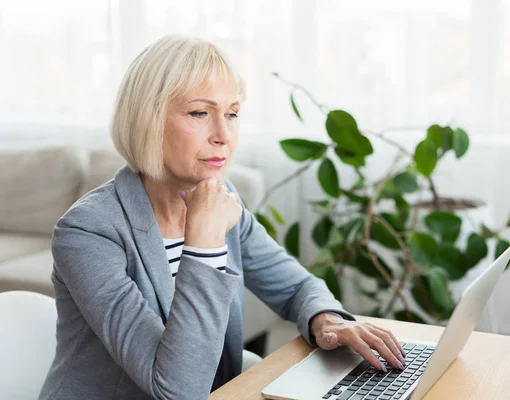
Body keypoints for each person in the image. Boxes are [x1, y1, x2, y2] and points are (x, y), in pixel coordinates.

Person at [38, 35, 405, 400]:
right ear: (146, 120)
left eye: (231, 113)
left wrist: (327, 320)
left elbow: (295, 287)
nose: (224, 135)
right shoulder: (87, 232)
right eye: (200, 113)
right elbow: (176, 389)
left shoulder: (222, 200)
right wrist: (204, 244)